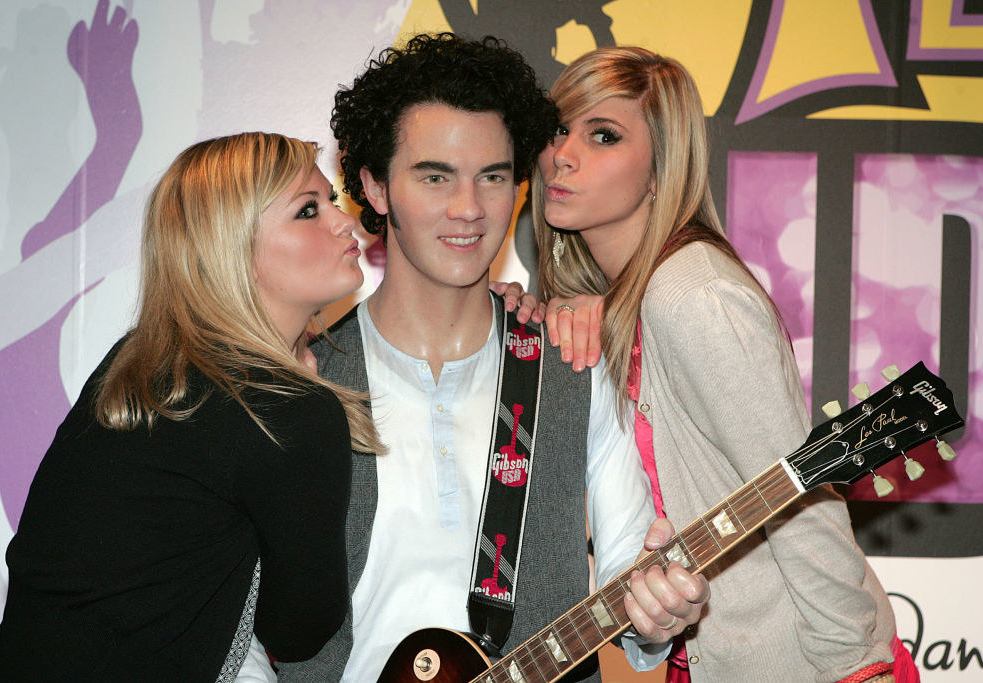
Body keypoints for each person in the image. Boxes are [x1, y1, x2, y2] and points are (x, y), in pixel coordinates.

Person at [262, 33, 710, 683]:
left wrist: (658, 614)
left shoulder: (576, 363)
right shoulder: (300, 381)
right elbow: (237, 624)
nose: (468, 207)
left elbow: (630, 585)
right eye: (435, 175)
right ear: (375, 186)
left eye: (493, 177)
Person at [536, 47, 915, 682]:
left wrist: (857, 668)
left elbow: (804, 498)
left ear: (661, 169)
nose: (563, 154)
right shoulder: (629, 301)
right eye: (558, 129)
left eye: (604, 135)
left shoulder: (692, 295)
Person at [0, 132, 382, 681]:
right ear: (231, 247)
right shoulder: (286, 409)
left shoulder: (137, 363)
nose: (340, 221)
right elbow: (300, 629)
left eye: (330, 200)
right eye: (307, 211)